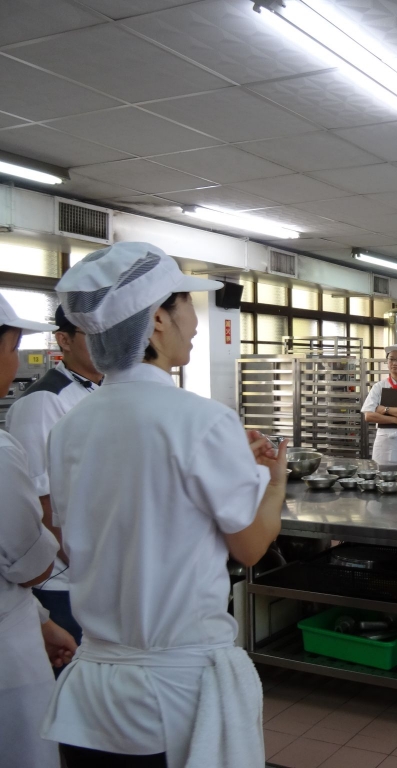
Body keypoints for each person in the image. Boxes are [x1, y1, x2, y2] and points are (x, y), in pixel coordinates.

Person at [40, 242, 289, 768]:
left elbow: (84, 532)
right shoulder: (202, 419)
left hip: (91, 695)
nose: (195, 323)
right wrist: (273, 484)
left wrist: (227, 465)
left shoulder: (69, 427)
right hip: (173, 697)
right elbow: (249, 547)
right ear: (157, 319)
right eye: (188, 305)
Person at [0, 295, 77, 768]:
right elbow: (30, 561)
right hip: (12, 646)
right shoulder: (40, 405)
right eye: (13, 348)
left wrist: (40, 621)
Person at [6, 306, 103, 646]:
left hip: (100, 569)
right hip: (67, 581)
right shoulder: (45, 402)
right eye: (94, 335)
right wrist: (87, 571)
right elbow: (41, 500)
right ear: (64, 339)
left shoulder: (104, 391)